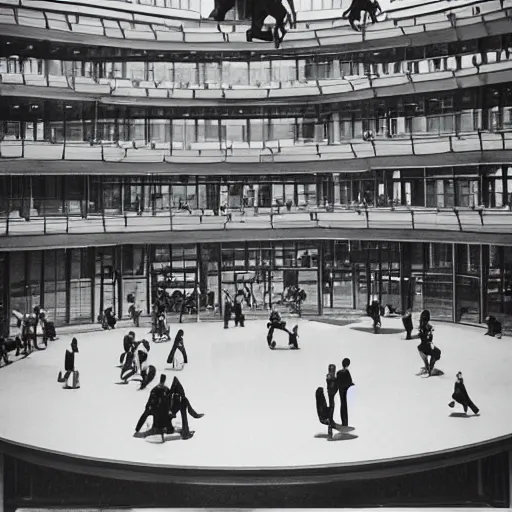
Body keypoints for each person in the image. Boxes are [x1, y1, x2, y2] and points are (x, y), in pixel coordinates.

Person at [134, 374, 171, 439]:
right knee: (147, 413)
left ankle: (161, 428)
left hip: (162, 410)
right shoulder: (158, 389)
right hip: (157, 409)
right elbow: (150, 400)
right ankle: (139, 429)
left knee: (155, 413)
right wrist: (148, 406)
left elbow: (169, 401)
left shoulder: (164, 390)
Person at [336, 358, 354, 427]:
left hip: (341, 391)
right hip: (345, 391)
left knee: (342, 405)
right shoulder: (346, 372)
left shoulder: (338, 372)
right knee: (344, 406)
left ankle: (344, 422)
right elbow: (349, 382)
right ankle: (345, 423)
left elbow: (337, 381)